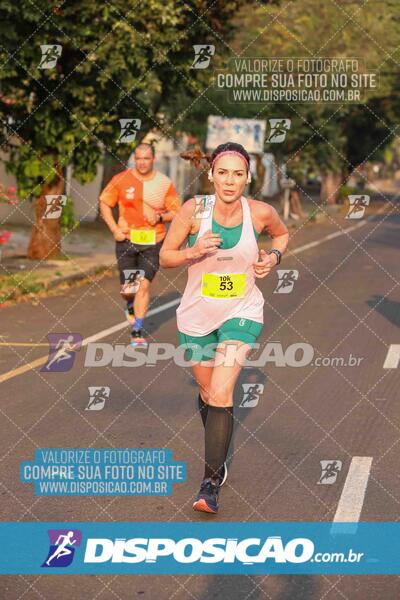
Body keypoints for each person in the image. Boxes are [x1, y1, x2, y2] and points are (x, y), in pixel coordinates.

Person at [160, 142, 289, 514]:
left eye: (238, 173)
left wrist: (273, 257)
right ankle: (218, 450)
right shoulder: (193, 211)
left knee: (220, 391)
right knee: (206, 389)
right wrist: (192, 251)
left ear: (247, 177)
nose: (230, 181)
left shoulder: (261, 212)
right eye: (223, 172)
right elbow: (166, 257)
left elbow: (280, 235)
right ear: (212, 174)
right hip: (197, 315)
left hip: (242, 312)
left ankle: (210, 483)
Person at [99, 143, 181, 346]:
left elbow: (176, 211)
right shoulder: (121, 179)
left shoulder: (164, 183)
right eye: (139, 158)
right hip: (126, 240)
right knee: (129, 289)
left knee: (143, 286)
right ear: (134, 159)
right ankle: (129, 303)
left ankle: (137, 331)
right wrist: (114, 230)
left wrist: (160, 217)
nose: (142, 162)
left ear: (153, 159)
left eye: (146, 158)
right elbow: (104, 203)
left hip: (154, 242)